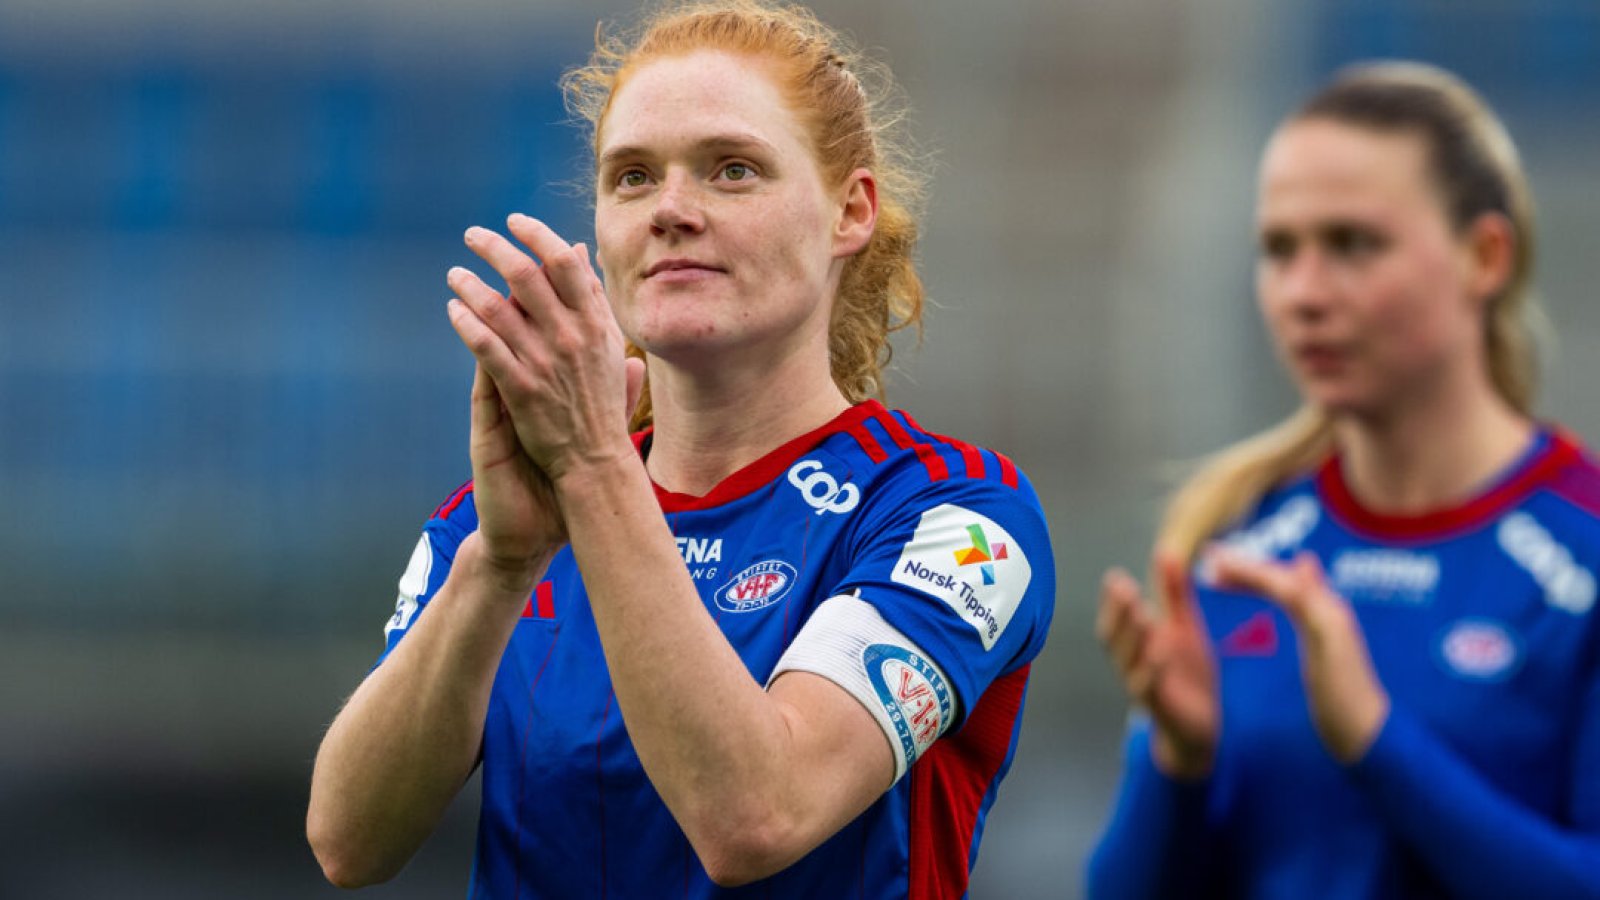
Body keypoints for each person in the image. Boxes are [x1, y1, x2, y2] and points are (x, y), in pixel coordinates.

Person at [305, 1, 1055, 896]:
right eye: (630, 177)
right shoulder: (497, 523)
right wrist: (496, 570)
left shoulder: (953, 515)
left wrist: (595, 473)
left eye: (731, 170)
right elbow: (347, 842)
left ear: (850, 211)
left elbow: (756, 818)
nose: (670, 210)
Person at [1087, 62, 1600, 899]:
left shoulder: (1583, 552)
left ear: (1484, 256)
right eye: (1279, 250)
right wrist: (1174, 762)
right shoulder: (1235, 545)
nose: (1304, 293)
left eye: (1353, 244)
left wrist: (1374, 739)